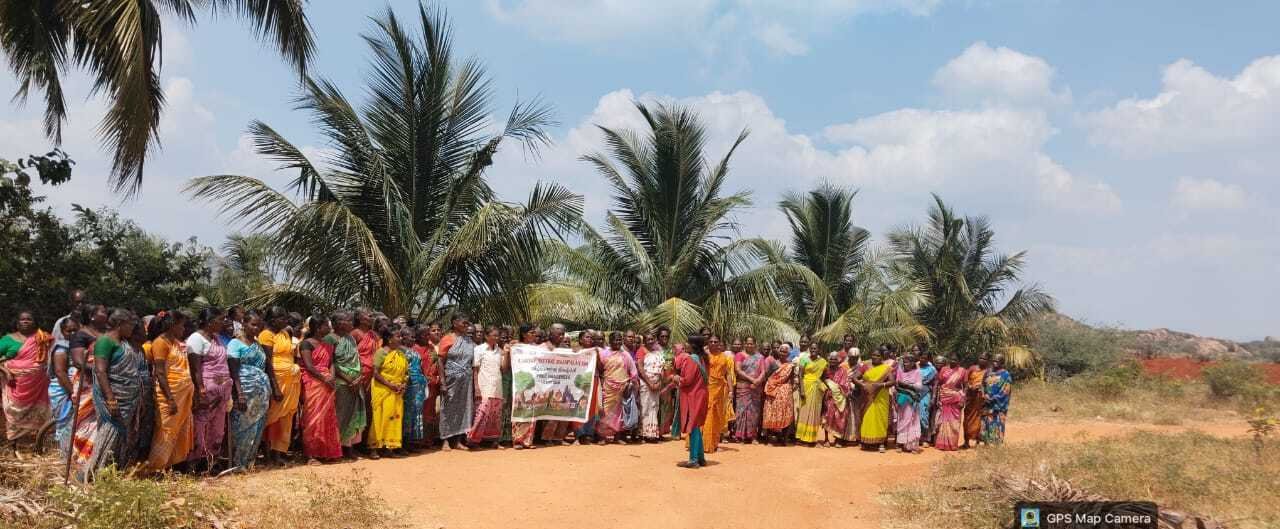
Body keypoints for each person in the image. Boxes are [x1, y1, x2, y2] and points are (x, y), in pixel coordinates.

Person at [76, 309, 142, 480]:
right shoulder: (105, 342)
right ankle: (90, 473)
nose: (132, 329)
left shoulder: (123, 342)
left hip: (128, 398)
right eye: (130, 325)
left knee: (121, 436)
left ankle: (112, 470)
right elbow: (100, 371)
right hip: (113, 397)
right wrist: (111, 398)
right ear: (120, 324)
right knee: (110, 431)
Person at [145, 310, 195, 471]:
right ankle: (156, 468)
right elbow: (160, 373)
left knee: (179, 430)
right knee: (165, 432)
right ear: (172, 325)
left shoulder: (175, 343)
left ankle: (169, 466)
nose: (184, 329)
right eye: (181, 325)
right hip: (169, 395)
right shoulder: (160, 343)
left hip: (183, 394)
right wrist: (170, 399)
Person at [186, 307, 233, 469]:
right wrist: (200, 391)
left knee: (217, 428)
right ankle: (194, 463)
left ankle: (211, 462)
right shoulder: (196, 339)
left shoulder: (217, 338)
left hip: (221, 393)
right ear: (210, 322)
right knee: (200, 426)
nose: (223, 323)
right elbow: (195, 369)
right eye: (220, 320)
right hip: (206, 390)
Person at [0, 311, 53, 454]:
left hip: (39, 385)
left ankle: (37, 448)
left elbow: (51, 358)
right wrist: (6, 372)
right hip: (15, 385)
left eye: (29, 319)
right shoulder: (7, 339)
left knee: (40, 415)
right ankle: (13, 447)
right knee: (14, 414)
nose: (25, 321)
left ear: (35, 322)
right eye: (22, 319)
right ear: (17, 322)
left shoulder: (42, 338)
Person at [227, 313, 274, 471]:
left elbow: (265, 367)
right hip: (244, 391)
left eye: (259, 325)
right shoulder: (235, 343)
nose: (256, 328)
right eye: (253, 325)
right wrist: (239, 394)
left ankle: (249, 462)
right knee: (241, 427)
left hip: (261, 394)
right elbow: (233, 371)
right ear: (244, 324)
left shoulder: (258, 344)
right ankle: (237, 463)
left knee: (257, 426)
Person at [260, 306, 301, 464]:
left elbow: (291, 355)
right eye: (281, 318)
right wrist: (275, 387)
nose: (285, 321)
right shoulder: (266, 335)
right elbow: (268, 362)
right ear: (272, 320)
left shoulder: (285, 333)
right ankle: (268, 454)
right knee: (272, 418)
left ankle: (279, 453)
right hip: (276, 380)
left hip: (290, 380)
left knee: (286, 417)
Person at [298, 316, 341, 463]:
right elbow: (309, 366)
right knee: (313, 418)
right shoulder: (306, 344)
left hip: (328, 383)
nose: (330, 328)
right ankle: (311, 454)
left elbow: (332, 363)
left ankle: (326, 452)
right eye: (327, 325)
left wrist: (331, 377)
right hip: (313, 382)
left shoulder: (328, 344)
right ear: (318, 328)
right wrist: (324, 378)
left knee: (327, 418)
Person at [327, 311, 365, 459]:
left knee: (354, 414)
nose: (350, 323)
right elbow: (331, 363)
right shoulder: (330, 339)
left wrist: (359, 377)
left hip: (356, 381)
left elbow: (357, 360)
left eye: (351, 320)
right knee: (340, 415)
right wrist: (349, 380)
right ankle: (338, 448)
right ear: (337, 323)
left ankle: (350, 447)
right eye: (347, 320)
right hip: (341, 382)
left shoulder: (351, 338)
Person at [368, 326, 410, 458]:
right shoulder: (381, 353)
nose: (400, 338)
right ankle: (374, 448)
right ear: (389, 339)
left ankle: (389, 448)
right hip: (383, 389)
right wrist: (390, 385)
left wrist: (403, 384)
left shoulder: (401, 354)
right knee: (379, 418)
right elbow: (375, 373)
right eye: (397, 336)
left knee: (394, 418)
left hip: (397, 391)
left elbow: (406, 373)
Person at [438, 314, 475, 450]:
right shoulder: (447, 339)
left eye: (467, 323)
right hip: (450, 379)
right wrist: (442, 382)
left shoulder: (469, 341)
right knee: (447, 408)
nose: (466, 325)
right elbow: (440, 361)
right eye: (463, 323)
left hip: (465, 380)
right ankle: (445, 440)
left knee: (463, 408)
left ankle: (458, 440)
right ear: (454, 323)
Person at [595, 331, 638, 444]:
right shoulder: (604, 353)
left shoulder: (626, 355)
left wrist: (631, 384)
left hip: (623, 389)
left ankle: (618, 437)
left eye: (619, 340)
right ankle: (602, 437)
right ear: (610, 341)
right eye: (615, 340)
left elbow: (633, 372)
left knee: (620, 414)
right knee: (605, 413)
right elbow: (600, 369)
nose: (618, 342)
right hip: (608, 388)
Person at [468, 325, 507, 447]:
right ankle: (473, 440)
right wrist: (477, 387)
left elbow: (504, 369)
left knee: (494, 417)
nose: (496, 338)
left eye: (497, 336)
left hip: (497, 387)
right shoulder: (479, 349)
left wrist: (507, 354)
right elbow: (475, 369)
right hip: (484, 386)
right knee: (481, 414)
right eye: (494, 335)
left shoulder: (500, 351)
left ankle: (492, 441)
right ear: (486, 336)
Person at [673, 338, 709, 468]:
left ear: (692, 345)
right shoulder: (703, 358)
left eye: (687, 342)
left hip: (693, 396)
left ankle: (693, 460)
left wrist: (676, 378)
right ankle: (700, 457)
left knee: (693, 426)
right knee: (697, 426)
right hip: (701, 394)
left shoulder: (690, 359)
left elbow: (687, 380)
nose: (685, 344)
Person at [47, 316, 80, 456]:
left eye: (75, 330)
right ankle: (64, 453)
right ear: (62, 331)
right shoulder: (61, 349)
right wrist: (73, 393)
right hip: (62, 389)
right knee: (65, 422)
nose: (72, 333)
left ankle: (71, 452)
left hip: (71, 388)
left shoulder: (75, 346)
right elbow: (60, 373)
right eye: (68, 331)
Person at [539, 324, 576, 443]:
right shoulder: (542, 347)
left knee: (563, 412)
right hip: (547, 385)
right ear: (551, 333)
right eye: (559, 334)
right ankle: (546, 438)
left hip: (563, 385)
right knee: (548, 413)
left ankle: (558, 438)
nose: (561, 336)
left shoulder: (565, 348)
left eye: (563, 334)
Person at [857, 348, 894, 452]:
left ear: (882, 357)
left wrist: (880, 385)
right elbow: (855, 378)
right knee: (867, 418)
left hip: (881, 397)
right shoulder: (865, 366)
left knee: (880, 419)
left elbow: (892, 382)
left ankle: (881, 443)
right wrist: (863, 385)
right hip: (867, 396)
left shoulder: (886, 368)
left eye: (878, 356)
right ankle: (865, 442)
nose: (875, 357)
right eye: (873, 355)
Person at [730, 337, 766, 443]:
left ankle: (753, 436)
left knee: (754, 412)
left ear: (755, 344)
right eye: (748, 343)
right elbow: (738, 370)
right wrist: (752, 379)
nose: (749, 345)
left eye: (752, 343)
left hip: (756, 388)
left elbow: (763, 371)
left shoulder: (760, 357)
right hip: (743, 386)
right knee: (741, 411)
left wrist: (758, 381)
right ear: (745, 344)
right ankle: (740, 435)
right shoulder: (739, 355)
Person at [412, 323, 441, 447]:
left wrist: (435, 378)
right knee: (417, 411)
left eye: (427, 334)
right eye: (424, 334)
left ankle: (428, 440)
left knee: (430, 412)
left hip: (431, 385)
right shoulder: (413, 348)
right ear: (417, 335)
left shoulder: (431, 348)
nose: (426, 336)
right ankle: (416, 441)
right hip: (417, 386)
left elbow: (436, 364)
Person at [702, 334, 732, 453]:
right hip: (706, 388)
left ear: (719, 343)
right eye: (711, 341)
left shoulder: (724, 357)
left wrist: (731, 390)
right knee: (707, 414)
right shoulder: (704, 356)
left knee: (717, 415)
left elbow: (728, 374)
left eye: (716, 342)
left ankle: (714, 442)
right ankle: (704, 443)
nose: (714, 343)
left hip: (720, 389)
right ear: (708, 343)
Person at [400, 324, 428, 451]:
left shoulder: (414, 351)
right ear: (402, 337)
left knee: (416, 413)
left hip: (419, 387)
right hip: (409, 386)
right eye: (409, 337)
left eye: (413, 337)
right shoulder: (400, 351)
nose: (412, 339)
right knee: (407, 414)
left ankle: (412, 442)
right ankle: (404, 443)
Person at [637, 332, 668, 442]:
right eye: (648, 339)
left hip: (657, 384)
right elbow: (640, 368)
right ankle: (643, 434)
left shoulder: (658, 352)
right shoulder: (641, 351)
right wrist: (649, 383)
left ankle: (652, 434)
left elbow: (662, 368)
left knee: (654, 407)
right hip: (646, 384)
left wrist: (659, 382)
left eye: (652, 339)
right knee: (644, 407)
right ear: (644, 341)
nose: (650, 341)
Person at [794, 343, 828, 445]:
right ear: (809, 349)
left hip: (817, 390)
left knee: (815, 413)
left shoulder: (823, 362)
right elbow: (800, 375)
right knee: (803, 412)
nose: (813, 350)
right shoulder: (804, 359)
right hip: (806, 387)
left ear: (818, 350)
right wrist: (802, 390)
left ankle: (811, 438)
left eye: (815, 348)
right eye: (812, 348)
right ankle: (801, 437)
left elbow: (824, 376)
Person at [762, 344, 796, 445]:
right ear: (778, 351)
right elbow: (767, 376)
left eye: (785, 352)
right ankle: (768, 439)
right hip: (772, 391)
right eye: (781, 351)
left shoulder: (790, 366)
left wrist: (785, 389)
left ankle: (784, 439)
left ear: (788, 353)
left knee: (785, 413)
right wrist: (772, 385)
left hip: (785, 392)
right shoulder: (773, 363)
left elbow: (792, 379)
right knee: (770, 413)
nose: (782, 353)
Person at [932, 355, 965, 451]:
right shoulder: (944, 369)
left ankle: (953, 444)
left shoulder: (962, 371)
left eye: (955, 359)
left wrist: (963, 400)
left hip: (956, 399)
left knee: (954, 422)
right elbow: (938, 383)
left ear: (959, 361)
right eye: (952, 358)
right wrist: (936, 397)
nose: (953, 360)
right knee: (942, 422)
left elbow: (965, 386)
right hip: (944, 398)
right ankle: (942, 444)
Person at [894, 350, 923, 453]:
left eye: (908, 362)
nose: (906, 364)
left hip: (912, 400)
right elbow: (897, 384)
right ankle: (901, 444)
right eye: (904, 362)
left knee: (912, 420)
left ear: (913, 362)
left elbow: (919, 386)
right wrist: (906, 389)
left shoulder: (917, 372)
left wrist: (907, 385)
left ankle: (912, 445)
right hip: (902, 399)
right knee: (902, 420)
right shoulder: (900, 371)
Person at [982, 354, 1012, 446]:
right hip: (988, 403)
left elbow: (1006, 389)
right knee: (988, 422)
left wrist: (994, 398)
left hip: (999, 404)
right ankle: (988, 442)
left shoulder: (1006, 374)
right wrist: (984, 395)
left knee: (999, 422)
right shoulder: (988, 372)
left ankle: (997, 443)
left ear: (1002, 363)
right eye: (994, 361)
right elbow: (982, 384)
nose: (995, 363)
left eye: (997, 361)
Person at [822, 353, 851, 447]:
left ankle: (838, 439)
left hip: (840, 398)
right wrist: (827, 388)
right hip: (828, 397)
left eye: (835, 360)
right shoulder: (825, 370)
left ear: (839, 361)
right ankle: (826, 439)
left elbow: (845, 384)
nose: (833, 361)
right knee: (826, 417)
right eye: (831, 359)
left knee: (839, 417)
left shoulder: (843, 371)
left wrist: (836, 389)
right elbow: (822, 380)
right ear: (829, 360)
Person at [963, 353, 989, 449]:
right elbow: (965, 381)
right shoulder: (972, 368)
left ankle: (978, 440)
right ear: (978, 358)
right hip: (970, 397)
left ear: (987, 361)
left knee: (979, 418)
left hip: (980, 398)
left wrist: (981, 387)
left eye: (984, 359)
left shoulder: (988, 371)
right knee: (967, 419)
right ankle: (966, 441)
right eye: (981, 358)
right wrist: (970, 387)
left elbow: (988, 384)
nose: (982, 360)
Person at [916, 348, 937, 447]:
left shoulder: (932, 370)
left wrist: (933, 398)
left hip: (925, 394)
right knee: (914, 416)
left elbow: (935, 384)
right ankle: (915, 437)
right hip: (913, 393)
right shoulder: (914, 366)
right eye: (921, 357)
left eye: (925, 358)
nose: (922, 359)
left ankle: (924, 438)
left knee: (924, 416)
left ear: (928, 359)